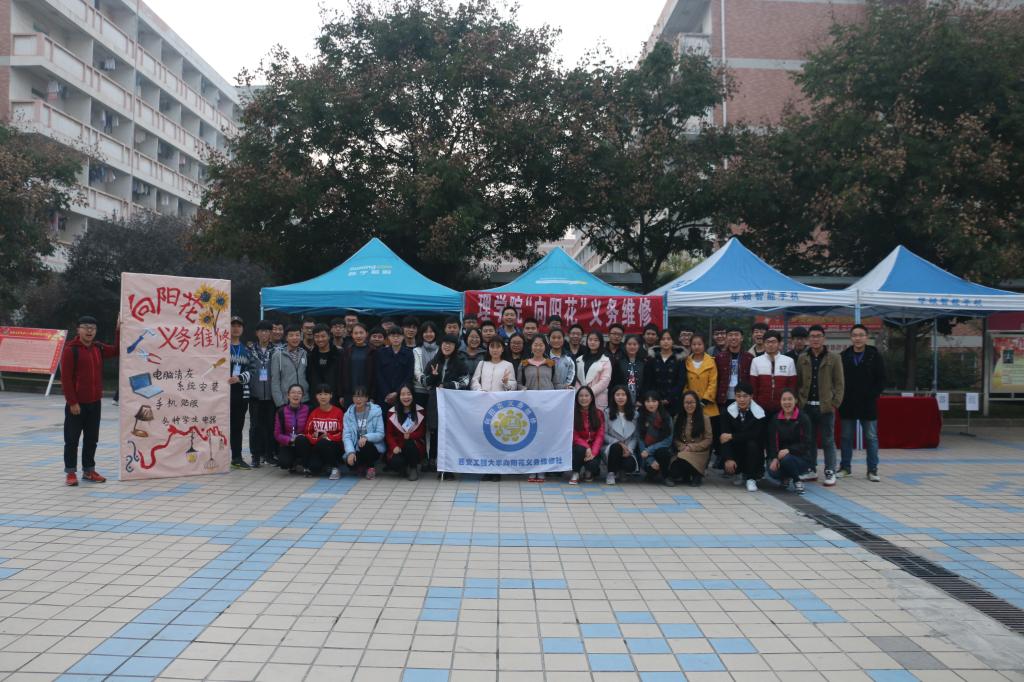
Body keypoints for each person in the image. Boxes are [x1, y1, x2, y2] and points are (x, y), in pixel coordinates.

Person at [61, 314, 119, 486]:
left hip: (95, 403)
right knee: (72, 440)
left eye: (92, 328)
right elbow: (66, 379)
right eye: (85, 327)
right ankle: (70, 473)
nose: (89, 331)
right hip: (77, 404)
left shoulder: (98, 348)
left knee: (92, 439)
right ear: (78, 330)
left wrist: (119, 330)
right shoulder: (71, 350)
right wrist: (72, 402)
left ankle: (89, 471)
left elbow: (117, 350)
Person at [796, 324, 844, 486]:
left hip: (825, 407)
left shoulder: (834, 358)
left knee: (828, 440)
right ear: (808, 339)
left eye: (818, 336)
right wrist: (799, 402)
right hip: (807, 406)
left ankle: (830, 470)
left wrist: (835, 403)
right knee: (809, 440)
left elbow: (839, 383)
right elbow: (798, 382)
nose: (815, 339)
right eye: (812, 336)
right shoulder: (803, 358)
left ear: (824, 338)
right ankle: (811, 468)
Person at [838, 324, 885, 482]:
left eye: (861, 335)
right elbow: (838, 380)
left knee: (871, 438)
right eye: (854, 335)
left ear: (866, 337)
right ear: (850, 338)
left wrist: (872, 395)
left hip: (868, 403)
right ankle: (845, 468)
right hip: (847, 403)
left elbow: (881, 379)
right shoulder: (843, 356)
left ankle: (872, 470)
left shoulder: (874, 355)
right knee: (846, 437)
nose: (857, 338)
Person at [425, 335, 470, 477]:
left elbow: (465, 381)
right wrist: (433, 377)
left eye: (451, 344)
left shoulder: (460, 363)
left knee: (450, 433)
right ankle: (433, 461)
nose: (447, 346)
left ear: (455, 347)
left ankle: (448, 466)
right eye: (445, 343)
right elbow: (424, 381)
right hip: (435, 401)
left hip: (452, 404)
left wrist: (448, 385)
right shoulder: (433, 361)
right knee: (435, 432)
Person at [521, 336, 558, 483]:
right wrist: (522, 388)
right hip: (529, 407)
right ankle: (531, 468)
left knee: (544, 437)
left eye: (541, 345)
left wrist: (566, 388)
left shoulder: (551, 364)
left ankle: (542, 469)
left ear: (545, 347)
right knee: (530, 438)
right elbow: (518, 383)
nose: (538, 347)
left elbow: (556, 383)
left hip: (547, 407)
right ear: (531, 347)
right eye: (535, 345)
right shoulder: (524, 364)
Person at [720, 382, 766, 492]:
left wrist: (732, 436)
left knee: (752, 444)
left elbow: (755, 435)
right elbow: (724, 437)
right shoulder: (727, 412)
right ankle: (738, 473)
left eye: (745, 396)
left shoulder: (759, 413)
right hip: (736, 450)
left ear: (751, 397)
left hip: (754, 452)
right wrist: (728, 458)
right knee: (729, 442)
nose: (741, 399)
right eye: (738, 396)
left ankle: (751, 478)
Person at [766, 388, 814, 493]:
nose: (787, 402)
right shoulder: (775, 419)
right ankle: (785, 477)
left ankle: (797, 481)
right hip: (781, 457)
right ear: (780, 401)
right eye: (784, 399)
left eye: (790, 399)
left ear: (795, 400)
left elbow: (806, 443)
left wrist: (789, 450)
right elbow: (772, 442)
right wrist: (774, 458)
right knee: (771, 469)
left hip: (801, 458)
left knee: (787, 459)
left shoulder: (803, 418)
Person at [685, 334, 719, 467]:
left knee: (706, 436)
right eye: (694, 344)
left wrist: (705, 400)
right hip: (690, 404)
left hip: (707, 405)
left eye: (699, 344)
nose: (697, 347)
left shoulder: (711, 361)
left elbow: (713, 382)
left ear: (704, 345)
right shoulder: (686, 361)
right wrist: (688, 400)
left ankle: (704, 464)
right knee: (691, 435)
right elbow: (685, 383)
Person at [248, 320, 278, 468]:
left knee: (271, 425)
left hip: (271, 396)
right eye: (261, 331)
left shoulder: (277, 351)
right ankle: (255, 455)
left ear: (271, 333)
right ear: (257, 333)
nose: (264, 334)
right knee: (255, 426)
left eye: (267, 331)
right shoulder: (250, 351)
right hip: (255, 395)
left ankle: (269, 455)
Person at [669, 390, 713, 487]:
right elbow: (675, 438)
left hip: (699, 452)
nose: (689, 405)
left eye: (692, 402)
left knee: (684, 461)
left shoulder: (705, 419)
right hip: (682, 451)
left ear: (697, 403)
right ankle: (686, 475)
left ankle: (697, 475)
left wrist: (691, 447)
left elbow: (708, 439)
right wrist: (682, 446)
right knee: (674, 471)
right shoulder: (677, 418)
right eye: (686, 403)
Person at [384, 384, 426, 481]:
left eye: (409, 394)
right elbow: (389, 434)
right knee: (395, 462)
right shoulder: (392, 412)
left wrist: (411, 435)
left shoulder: (420, 411)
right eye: (403, 394)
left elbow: (422, 431)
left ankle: (413, 468)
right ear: (399, 397)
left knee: (409, 443)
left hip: (414, 445)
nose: (406, 397)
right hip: (398, 445)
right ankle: (403, 468)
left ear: (413, 395)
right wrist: (394, 446)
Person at [342, 385, 385, 479]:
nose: (358, 399)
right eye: (355, 396)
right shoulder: (348, 415)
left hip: (373, 447)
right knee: (350, 463)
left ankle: (370, 468)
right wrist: (350, 452)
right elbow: (347, 436)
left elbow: (380, 433)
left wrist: (366, 437)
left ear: (366, 398)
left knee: (365, 444)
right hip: (356, 449)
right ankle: (361, 466)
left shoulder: (376, 411)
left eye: (361, 396)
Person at [750, 330, 797, 415]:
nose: (770, 345)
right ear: (764, 344)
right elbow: (753, 387)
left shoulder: (789, 361)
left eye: (774, 342)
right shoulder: (756, 361)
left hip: (783, 407)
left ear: (779, 343)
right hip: (761, 407)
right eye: (767, 342)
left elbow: (792, 386)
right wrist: (755, 405)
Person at [228, 316, 253, 470]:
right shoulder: (220, 347)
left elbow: (252, 371)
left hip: (241, 393)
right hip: (222, 393)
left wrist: (239, 378)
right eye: (233, 325)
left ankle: (236, 457)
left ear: (243, 329)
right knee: (221, 425)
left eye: (239, 325)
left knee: (237, 427)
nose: (236, 328)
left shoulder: (247, 351)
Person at [304, 384, 345, 477]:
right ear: (316, 396)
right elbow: (308, 432)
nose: (323, 397)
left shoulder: (338, 412)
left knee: (324, 442)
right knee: (314, 467)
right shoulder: (314, 413)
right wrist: (318, 438)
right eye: (320, 394)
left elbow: (342, 432)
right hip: (318, 446)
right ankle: (325, 466)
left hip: (335, 446)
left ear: (331, 395)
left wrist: (328, 437)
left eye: (326, 394)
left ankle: (335, 468)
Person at [603, 385, 639, 485]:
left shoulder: (635, 414)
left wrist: (629, 449)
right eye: (617, 395)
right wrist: (618, 443)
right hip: (611, 447)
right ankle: (611, 473)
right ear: (613, 397)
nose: (620, 397)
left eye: (623, 395)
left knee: (630, 465)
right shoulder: (607, 412)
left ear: (628, 397)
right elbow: (604, 434)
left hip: (628, 448)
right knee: (616, 447)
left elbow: (635, 436)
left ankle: (621, 470)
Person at [636, 390, 674, 485]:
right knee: (651, 469)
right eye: (648, 401)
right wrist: (650, 460)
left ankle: (666, 476)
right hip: (645, 454)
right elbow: (640, 440)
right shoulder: (640, 418)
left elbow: (668, 440)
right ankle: (651, 474)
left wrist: (649, 450)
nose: (651, 404)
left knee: (663, 452)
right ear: (644, 403)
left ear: (659, 402)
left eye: (654, 401)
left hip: (659, 450)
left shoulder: (667, 417)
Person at [644, 329, 684, 415]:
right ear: (659, 341)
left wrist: (669, 398)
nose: (666, 341)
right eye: (663, 339)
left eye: (669, 339)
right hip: (654, 401)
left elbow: (680, 382)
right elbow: (648, 381)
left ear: (673, 341)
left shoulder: (679, 359)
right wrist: (656, 397)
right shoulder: (652, 359)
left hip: (673, 401)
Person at [570, 386, 604, 485]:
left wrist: (593, 452)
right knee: (580, 449)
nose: (583, 398)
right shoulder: (572, 413)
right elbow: (574, 435)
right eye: (581, 396)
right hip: (578, 447)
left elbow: (600, 435)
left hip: (593, 448)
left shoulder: (599, 413)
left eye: (586, 395)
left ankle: (588, 471)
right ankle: (575, 472)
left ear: (591, 398)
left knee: (593, 465)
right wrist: (586, 447)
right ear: (577, 398)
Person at [274, 384, 311, 474]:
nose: (296, 395)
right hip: (288, 444)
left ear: (302, 396)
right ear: (288, 395)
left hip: (303, 443)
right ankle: (295, 463)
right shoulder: (281, 411)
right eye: (293, 392)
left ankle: (304, 464)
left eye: (299, 393)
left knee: (301, 440)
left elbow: (312, 429)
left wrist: (300, 438)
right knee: (284, 463)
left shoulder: (308, 409)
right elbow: (277, 434)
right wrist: (289, 440)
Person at [715, 327, 754, 412]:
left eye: (736, 335)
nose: (733, 337)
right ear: (726, 338)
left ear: (742, 338)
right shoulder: (719, 357)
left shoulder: (749, 358)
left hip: (743, 398)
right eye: (730, 335)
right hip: (723, 398)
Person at [374, 327, 414, 408]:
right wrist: (387, 393)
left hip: (402, 395)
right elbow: (378, 374)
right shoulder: (381, 352)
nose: (396, 338)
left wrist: (397, 392)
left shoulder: (409, 353)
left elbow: (409, 375)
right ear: (388, 337)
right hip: (383, 394)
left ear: (403, 337)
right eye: (393, 336)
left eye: (398, 336)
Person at [271, 324, 309, 409]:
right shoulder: (278, 355)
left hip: (304, 399)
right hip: (286, 401)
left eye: (297, 335)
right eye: (291, 335)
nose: (295, 338)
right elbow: (275, 381)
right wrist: (280, 403)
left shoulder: (304, 353)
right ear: (286, 338)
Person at [338, 322, 375, 409]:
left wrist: (373, 395)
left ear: (366, 334)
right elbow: (340, 373)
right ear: (352, 335)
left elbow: (375, 376)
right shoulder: (346, 351)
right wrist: (341, 395)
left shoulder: (373, 352)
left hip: (366, 394)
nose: (358, 336)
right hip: (349, 393)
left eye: (361, 333)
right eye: (356, 333)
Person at [576, 331, 613, 412]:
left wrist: (588, 393)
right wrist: (581, 393)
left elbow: (605, 381)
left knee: (597, 419)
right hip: (581, 399)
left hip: (598, 398)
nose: (592, 342)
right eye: (590, 339)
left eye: (596, 340)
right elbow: (576, 379)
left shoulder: (605, 360)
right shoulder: (579, 359)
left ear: (600, 342)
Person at [306, 324, 339, 405]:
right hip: (315, 398)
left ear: (329, 336)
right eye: (317, 337)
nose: (320, 339)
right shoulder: (310, 356)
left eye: (323, 336)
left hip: (334, 397)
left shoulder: (338, 354)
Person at [412, 321, 440, 409]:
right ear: (421, 334)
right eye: (425, 332)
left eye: (431, 331)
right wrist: (425, 381)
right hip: (420, 390)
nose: (428, 334)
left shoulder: (440, 349)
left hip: (437, 390)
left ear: (435, 333)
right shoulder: (416, 350)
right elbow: (416, 371)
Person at [612, 335, 647, 405]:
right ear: (625, 345)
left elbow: (647, 383)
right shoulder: (618, 362)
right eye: (629, 344)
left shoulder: (644, 362)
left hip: (640, 401)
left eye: (635, 344)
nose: (632, 347)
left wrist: (641, 400)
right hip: (622, 400)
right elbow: (615, 383)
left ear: (639, 346)